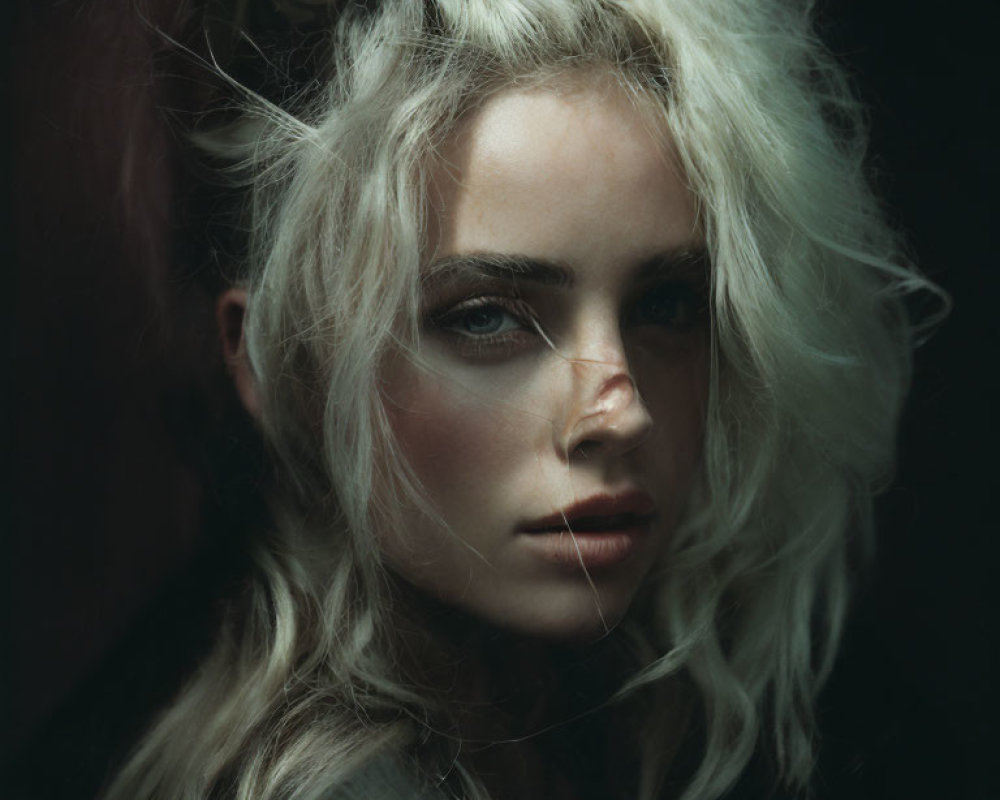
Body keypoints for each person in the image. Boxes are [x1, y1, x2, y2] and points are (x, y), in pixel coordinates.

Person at [102, 1, 941, 798]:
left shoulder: (753, 722)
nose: (620, 412)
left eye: (667, 304)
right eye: (488, 317)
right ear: (276, 363)